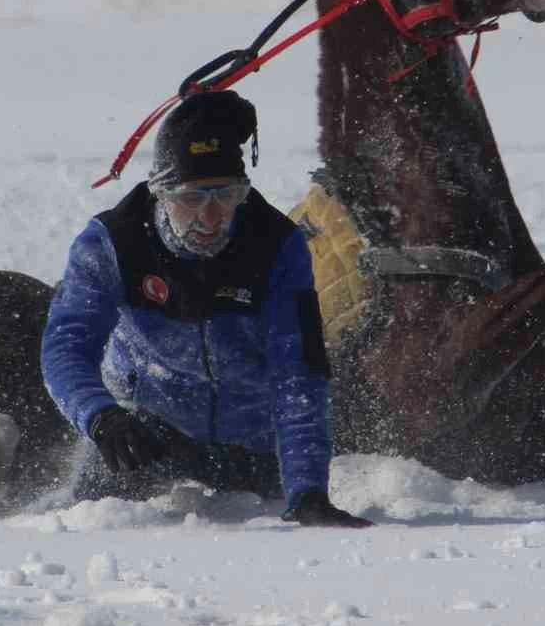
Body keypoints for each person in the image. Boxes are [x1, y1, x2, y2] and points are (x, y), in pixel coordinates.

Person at [41, 90, 370, 528]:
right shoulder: (111, 244)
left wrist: (308, 491)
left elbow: (300, 376)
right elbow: (66, 349)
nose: (211, 217)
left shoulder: (277, 246)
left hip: (256, 445)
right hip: (145, 433)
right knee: (83, 520)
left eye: (227, 196)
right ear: (160, 192)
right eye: (192, 199)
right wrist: (101, 417)